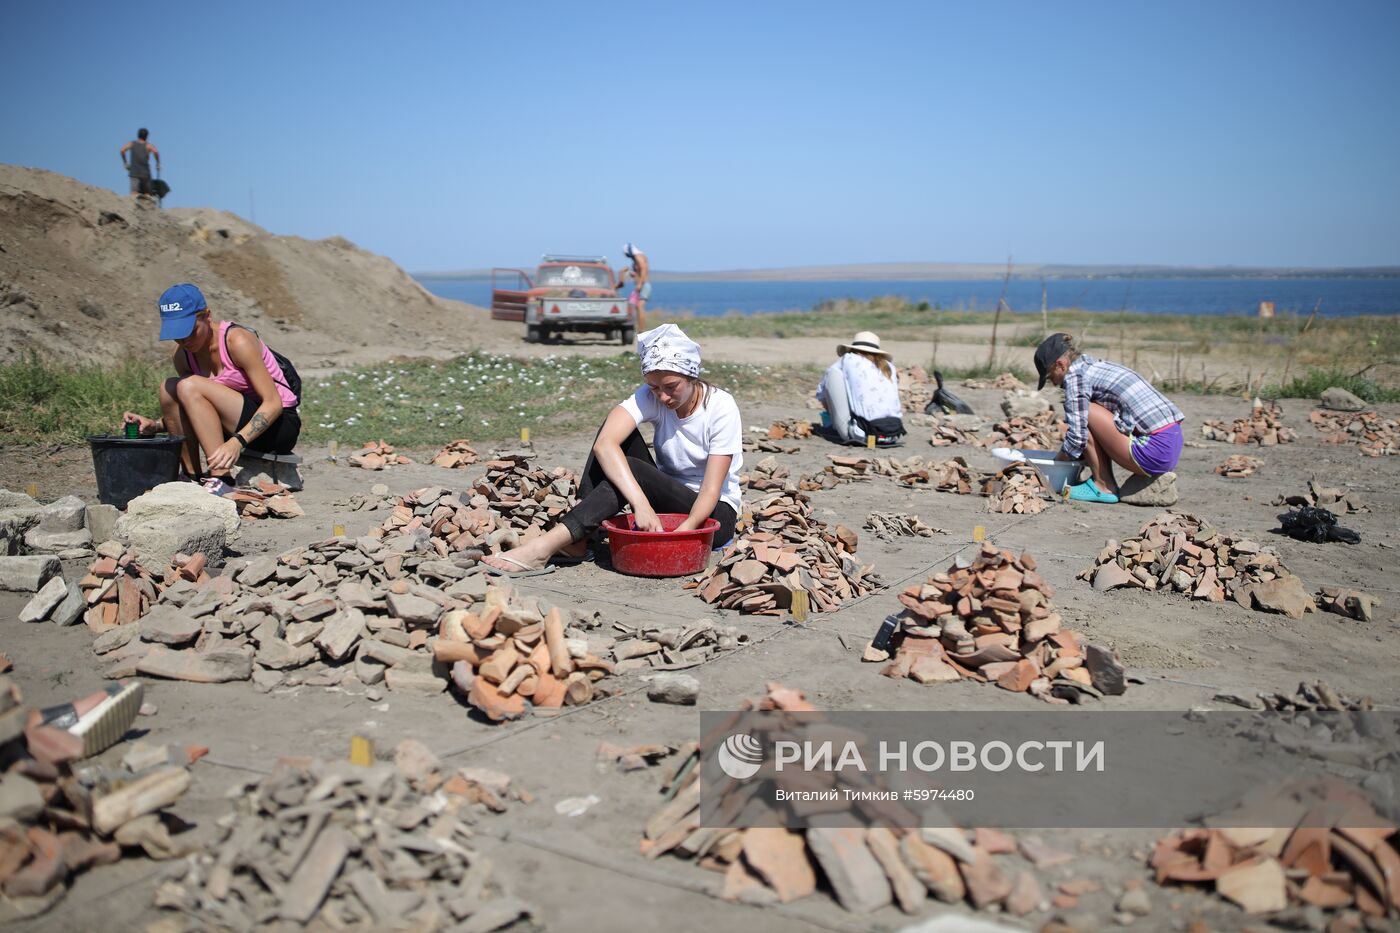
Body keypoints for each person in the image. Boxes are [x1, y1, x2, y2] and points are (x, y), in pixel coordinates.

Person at [481, 323, 742, 576]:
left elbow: (709, 491)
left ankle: (542, 548)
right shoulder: (653, 395)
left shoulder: (721, 407)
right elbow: (605, 444)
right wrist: (641, 504)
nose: (662, 397)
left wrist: (682, 533)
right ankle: (581, 538)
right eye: (654, 388)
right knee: (612, 433)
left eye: (671, 387)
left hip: (712, 516)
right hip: (665, 498)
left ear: (691, 375)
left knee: (633, 467)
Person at [122, 284, 300, 496]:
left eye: (190, 331)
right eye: (177, 335)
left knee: (188, 385)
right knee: (169, 388)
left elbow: (273, 403)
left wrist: (236, 442)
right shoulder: (182, 354)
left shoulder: (237, 341)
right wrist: (156, 425)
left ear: (207, 315)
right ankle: (191, 477)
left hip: (278, 426)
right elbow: (195, 407)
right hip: (234, 422)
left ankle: (221, 478)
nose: (184, 340)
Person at [1036, 332, 1185, 504]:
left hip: (1153, 451)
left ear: (1060, 365)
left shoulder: (1075, 378)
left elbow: (1077, 438)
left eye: (1050, 377)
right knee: (1086, 413)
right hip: (1170, 443)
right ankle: (1101, 481)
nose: (1054, 383)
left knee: (1085, 413)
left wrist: (1055, 464)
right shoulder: (1094, 366)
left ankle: (1103, 486)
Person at [816, 331, 905, 445]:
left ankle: (837, 426)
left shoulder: (848, 359)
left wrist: (832, 414)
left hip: (865, 436)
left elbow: (821, 391)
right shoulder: (889, 366)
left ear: (854, 349)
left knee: (833, 374)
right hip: (892, 435)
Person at [119, 128, 160, 198]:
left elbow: (122, 150)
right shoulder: (148, 145)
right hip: (145, 173)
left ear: (138, 135)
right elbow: (155, 152)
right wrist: (158, 163)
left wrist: (125, 163)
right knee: (147, 194)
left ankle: (136, 207)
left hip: (134, 172)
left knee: (134, 193)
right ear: (147, 136)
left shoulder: (132, 144)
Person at [616, 242, 651, 319]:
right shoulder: (637, 258)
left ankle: (641, 330)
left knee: (639, 306)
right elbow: (639, 271)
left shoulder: (638, 256)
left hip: (643, 284)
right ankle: (639, 329)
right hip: (641, 284)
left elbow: (644, 269)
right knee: (634, 306)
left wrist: (640, 284)